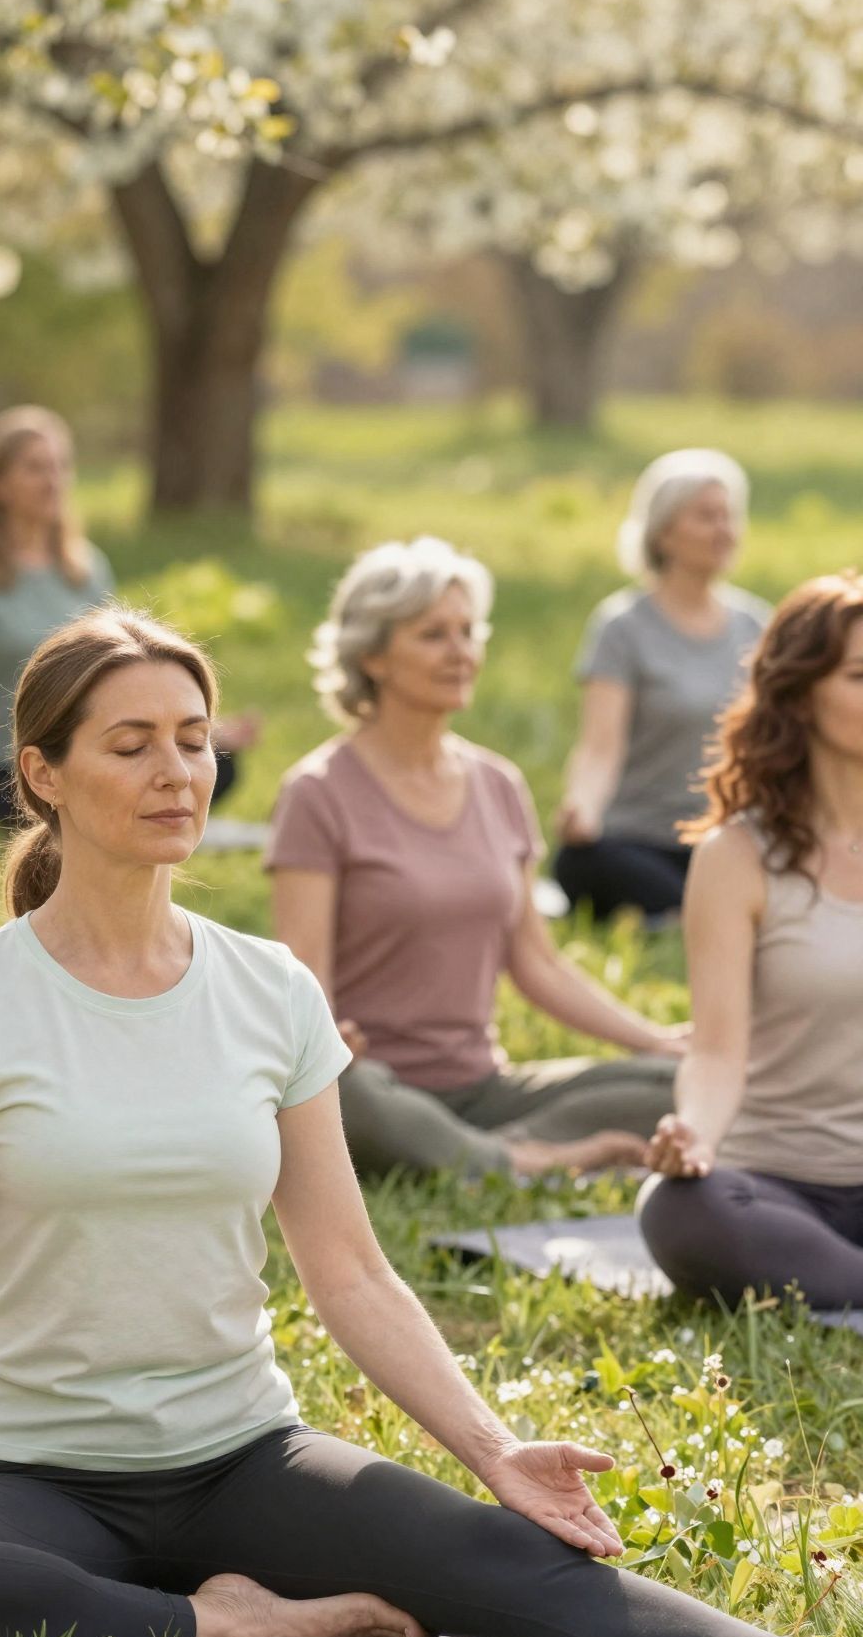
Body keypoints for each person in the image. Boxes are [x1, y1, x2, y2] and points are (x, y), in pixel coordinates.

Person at [0, 605, 863, 1637]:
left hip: (242, 1455)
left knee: (493, 1549)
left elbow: (350, 1269)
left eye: (195, 739)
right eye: (132, 743)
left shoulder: (269, 988)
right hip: (32, 1472)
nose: (176, 772)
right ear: (43, 772)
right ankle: (225, 1622)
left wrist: (493, 1446)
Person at [267, 538, 682, 1181]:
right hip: (371, 1085)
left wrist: (654, 1039)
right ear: (372, 654)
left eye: (468, 631)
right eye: (433, 635)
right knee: (340, 1093)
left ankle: (476, 1153)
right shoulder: (317, 793)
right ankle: (509, 1158)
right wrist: (326, 1059)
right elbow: (303, 984)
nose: (462, 652)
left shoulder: (499, 785)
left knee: (680, 1079)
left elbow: (538, 962)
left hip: (486, 1091)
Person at [641, 574, 863, 1309]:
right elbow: (715, 1049)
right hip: (778, 1189)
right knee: (676, 1211)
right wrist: (695, 1136)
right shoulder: (737, 857)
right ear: (801, 695)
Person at [0, 406, 251, 831]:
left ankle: (78, 808)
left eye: (60, 466)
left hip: (72, 760)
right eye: (35, 468)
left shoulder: (88, 569)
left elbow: (118, 678)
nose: (52, 480)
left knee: (220, 765)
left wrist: (206, 733)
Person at [554, 449, 768, 921]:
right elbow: (599, 747)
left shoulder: (756, 625)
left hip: (729, 840)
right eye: (706, 516)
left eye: (729, 516)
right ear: (664, 531)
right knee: (582, 864)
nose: (724, 530)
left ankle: (695, 913)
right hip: (638, 841)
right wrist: (583, 808)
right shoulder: (622, 627)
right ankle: (697, 915)